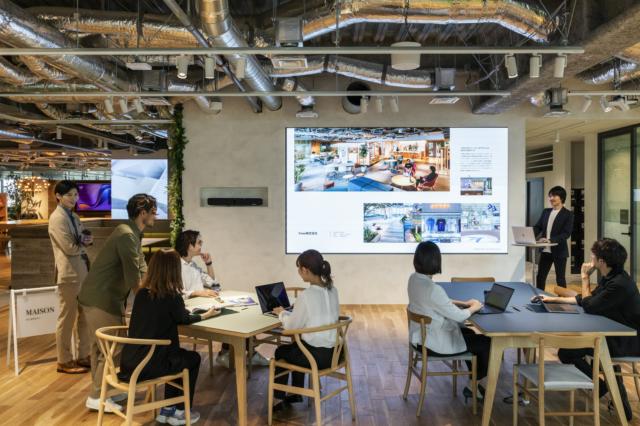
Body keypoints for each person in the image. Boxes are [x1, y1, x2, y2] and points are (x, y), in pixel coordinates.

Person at [534, 238, 640, 421]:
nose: (590, 258)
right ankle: (611, 385)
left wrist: (584, 278)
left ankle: (605, 385)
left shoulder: (619, 284)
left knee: (567, 352)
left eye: (593, 255)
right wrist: (552, 299)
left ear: (601, 261)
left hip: (626, 342)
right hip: (614, 334)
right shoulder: (614, 277)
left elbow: (589, 306)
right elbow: (585, 299)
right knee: (572, 351)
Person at [119, 249, 220, 426]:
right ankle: (180, 411)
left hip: (130, 361)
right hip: (149, 364)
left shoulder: (142, 294)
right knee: (191, 359)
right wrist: (206, 315)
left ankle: (167, 409)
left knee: (177, 357)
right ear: (173, 271)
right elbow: (184, 318)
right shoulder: (171, 297)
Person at [78, 193, 157, 412]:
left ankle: (105, 390)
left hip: (102, 297)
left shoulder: (132, 233)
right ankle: (97, 396)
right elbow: (134, 279)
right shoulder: (126, 235)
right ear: (142, 213)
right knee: (112, 347)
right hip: (101, 298)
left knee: (101, 348)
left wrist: (156, 287)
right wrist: (152, 301)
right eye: (153, 211)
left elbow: (142, 267)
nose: (156, 215)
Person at [407, 241, 491, 401]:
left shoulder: (414, 279)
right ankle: (475, 385)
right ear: (436, 261)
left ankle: (474, 384)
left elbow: (437, 301)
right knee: (486, 343)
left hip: (420, 338)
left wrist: (463, 303)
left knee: (469, 333)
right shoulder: (433, 289)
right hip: (434, 342)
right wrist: (474, 307)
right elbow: (459, 316)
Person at [271, 249, 339, 411]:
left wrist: (281, 313)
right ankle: (296, 393)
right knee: (298, 346)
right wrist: (291, 313)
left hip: (316, 358)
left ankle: (277, 400)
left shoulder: (306, 296)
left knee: (281, 351)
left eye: (299, 268)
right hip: (336, 353)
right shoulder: (332, 290)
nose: (298, 272)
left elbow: (291, 327)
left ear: (305, 270)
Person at [48, 180, 92, 374]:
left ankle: (83, 355)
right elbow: (69, 248)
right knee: (67, 318)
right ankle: (64, 360)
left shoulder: (73, 216)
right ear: (58, 196)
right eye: (69, 195)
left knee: (85, 316)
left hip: (82, 271)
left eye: (75, 195)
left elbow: (80, 241)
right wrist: (82, 244)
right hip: (68, 275)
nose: (74, 198)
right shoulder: (57, 218)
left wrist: (85, 241)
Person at [533, 186, 574, 290]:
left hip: (559, 251)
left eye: (554, 196)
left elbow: (566, 234)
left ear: (561, 198)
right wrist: (529, 235)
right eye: (550, 196)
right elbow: (538, 227)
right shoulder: (546, 212)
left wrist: (550, 240)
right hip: (545, 250)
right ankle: (540, 296)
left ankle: (564, 299)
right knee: (540, 277)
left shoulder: (568, 214)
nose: (551, 198)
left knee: (560, 279)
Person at [175, 230, 220, 299]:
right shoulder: (176, 266)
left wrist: (208, 264)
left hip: (201, 302)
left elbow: (212, 283)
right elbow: (178, 293)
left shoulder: (193, 265)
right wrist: (199, 293)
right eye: (199, 243)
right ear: (189, 245)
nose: (201, 246)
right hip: (188, 304)